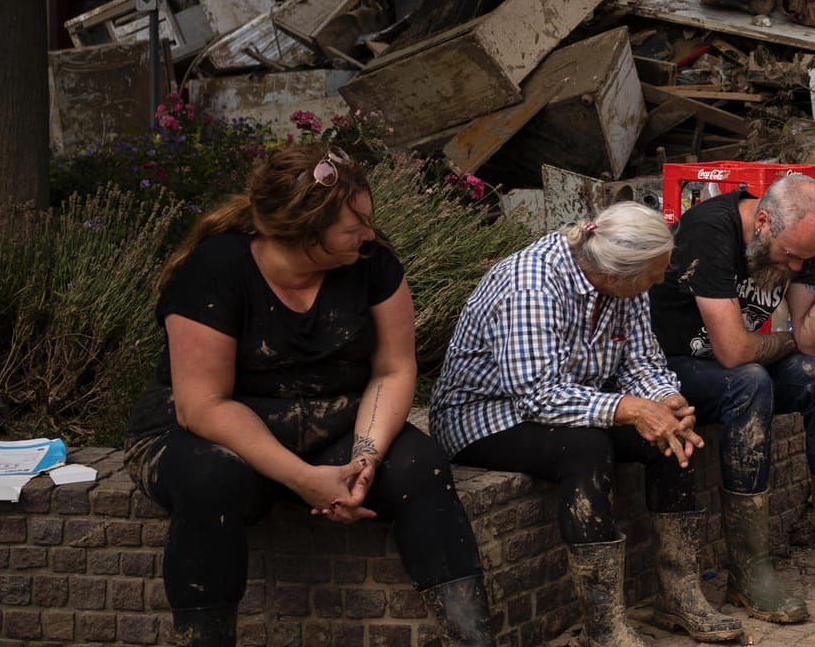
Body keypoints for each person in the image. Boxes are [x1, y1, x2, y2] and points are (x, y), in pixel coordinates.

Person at [124, 144, 492, 647]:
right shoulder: (214, 271)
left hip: (332, 426)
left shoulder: (373, 261)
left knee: (420, 465)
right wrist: (304, 480)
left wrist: (365, 457)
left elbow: (392, 368)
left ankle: (473, 639)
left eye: (368, 219)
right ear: (302, 234)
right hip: (212, 434)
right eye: (353, 225)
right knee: (213, 481)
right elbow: (202, 405)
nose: (369, 233)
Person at [431, 204, 741, 646]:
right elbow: (538, 394)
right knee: (586, 448)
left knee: (671, 437)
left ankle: (678, 594)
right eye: (652, 276)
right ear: (617, 274)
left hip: (570, 402)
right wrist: (632, 409)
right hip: (485, 414)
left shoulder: (623, 286)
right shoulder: (531, 284)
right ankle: (604, 626)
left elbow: (642, 362)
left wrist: (664, 400)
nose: (658, 283)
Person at [649, 173, 815, 625]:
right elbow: (734, 352)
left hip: (741, 362)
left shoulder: (803, 243)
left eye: (803, 259)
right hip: (672, 366)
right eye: (790, 256)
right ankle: (749, 570)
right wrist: (785, 343)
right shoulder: (710, 229)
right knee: (750, 380)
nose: (794, 266)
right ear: (764, 221)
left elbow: (812, 342)